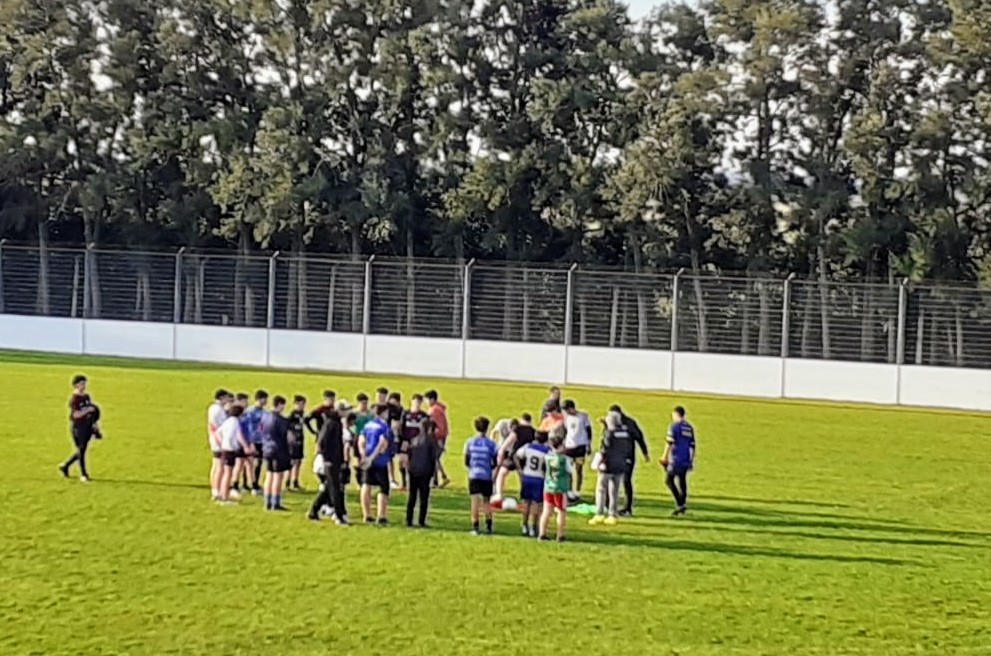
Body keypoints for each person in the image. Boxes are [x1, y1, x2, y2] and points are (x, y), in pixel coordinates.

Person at [308, 404, 349, 525]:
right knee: (335, 488)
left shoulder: (336, 422)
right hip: (330, 461)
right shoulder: (331, 423)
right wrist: (326, 458)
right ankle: (339, 516)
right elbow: (321, 442)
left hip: (336, 460)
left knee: (328, 487)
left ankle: (314, 510)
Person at [589, 411, 632, 526]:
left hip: (608, 465)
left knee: (601, 489)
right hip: (620, 464)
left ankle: (599, 513)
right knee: (614, 491)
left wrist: (600, 462)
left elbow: (605, 448)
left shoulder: (609, 433)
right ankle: (613, 514)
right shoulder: (625, 433)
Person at [59, 374, 102, 482]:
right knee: (81, 450)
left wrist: (95, 425)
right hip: (78, 427)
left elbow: (92, 413)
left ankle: (65, 466)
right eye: (81, 383)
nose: (84, 385)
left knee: (81, 450)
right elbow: (75, 415)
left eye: (84, 383)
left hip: (88, 426)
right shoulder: (74, 399)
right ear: (75, 385)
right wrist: (88, 410)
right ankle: (83, 474)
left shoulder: (87, 396)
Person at [609, 404, 649, 516]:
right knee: (612, 480)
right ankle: (610, 505)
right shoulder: (612, 423)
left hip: (627, 457)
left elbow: (639, 437)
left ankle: (627, 508)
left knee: (626, 481)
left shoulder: (630, 423)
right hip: (615, 457)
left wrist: (645, 452)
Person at [358, 404, 393, 525]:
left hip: (367, 458)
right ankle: (381, 515)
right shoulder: (384, 426)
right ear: (383, 413)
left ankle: (366, 514)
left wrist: (364, 456)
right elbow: (383, 443)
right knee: (383, 488)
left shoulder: (367, 425)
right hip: (379, 461)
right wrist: (373, 457)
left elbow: (361, 440)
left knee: (366, 484)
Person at [464, 416, 499, 535]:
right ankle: (489, 526)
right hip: (486, 475)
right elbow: (495, 461)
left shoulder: (470, 442)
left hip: (474, 474)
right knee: (486, 501)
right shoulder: (491, 444)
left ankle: (475, 527)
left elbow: (466, 460)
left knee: (474, 501)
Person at [404, 414, 439, 528]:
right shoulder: (431, 441)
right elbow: (434, 457)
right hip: (425, 471)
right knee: (424, 497)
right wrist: (433, 473)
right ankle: (421, 520)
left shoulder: (414, 440)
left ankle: (409, 519)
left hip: (413, 471)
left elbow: (409, 456)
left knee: (412, 496)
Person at [514, 428, 550, 537]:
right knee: (536, 503)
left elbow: (516, 455)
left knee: (526, 502)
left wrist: (520, 469)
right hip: (539, 478)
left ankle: (524, 525)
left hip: (527, 476)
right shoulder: (546, 450)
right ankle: (533, 527)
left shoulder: (528, 447)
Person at [662, 405, 697, 516]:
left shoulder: (674, 427)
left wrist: (664, 456)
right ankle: (682, 504)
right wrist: (691, 460)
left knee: (668, 480)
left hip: (675, 458)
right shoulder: (689, 428)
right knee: (682, 480)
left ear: (676, 414)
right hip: (686, 458)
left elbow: (669, 442)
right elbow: (693, 446)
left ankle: (680, 503)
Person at [539, 433, 574, 542]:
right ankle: (560, 534)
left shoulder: (547, 457)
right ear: (561, 445)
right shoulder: (564, 459)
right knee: (561, 511)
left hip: (548, 487)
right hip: (560, 488)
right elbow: (570, 471)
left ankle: (542, 533)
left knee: (546, 511)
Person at [262, 396, 292, 511]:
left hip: (267, 448)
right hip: (278, 449)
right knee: (278, 476)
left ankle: (267, 501)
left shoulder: (265, 417)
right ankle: (276, 502)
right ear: (279, 404)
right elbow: (285, 434)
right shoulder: (280, 420)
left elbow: (261, 429)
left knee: (269, 474)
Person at [217, 404, 249, 503]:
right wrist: (243, 446)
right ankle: (224, 497)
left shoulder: (228, 421)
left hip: (224, 449)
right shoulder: (235, 422)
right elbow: (237, 436)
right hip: (230, 450)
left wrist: (222, 442)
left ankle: (222, 494)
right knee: (228, 474)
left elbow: (218, 432)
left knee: (226, 473)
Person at [242, 390, 271, 495]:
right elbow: (248, 426)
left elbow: (263, 426)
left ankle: (255, 483)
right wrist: (250, 440)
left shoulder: (265, 412)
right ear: (259, 399)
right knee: (248, 463)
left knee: (259, 462)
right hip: (251, 440)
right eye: (265, 399)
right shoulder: (250, 412)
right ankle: (246, 484)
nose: (266, 401)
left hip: (261, 441)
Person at [562, 399, 592, 495]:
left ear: (571, 408)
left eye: (567, 410)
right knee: (568, 469)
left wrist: (588, 445)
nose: (566, 412)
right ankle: (570, 490)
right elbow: (565, 431)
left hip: (580, 447)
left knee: (579, 469)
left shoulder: (583, 416)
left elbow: (589, 431)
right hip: (569, 448)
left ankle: (578, 491)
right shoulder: (566, 418)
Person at [207, 389, 232, 500]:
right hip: (219, 441)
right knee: (220, 467)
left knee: (215, 464)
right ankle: (216, 490)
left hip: (214, 439)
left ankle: (214, 488)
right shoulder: (219, 410)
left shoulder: (212, 407)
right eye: (226, 398)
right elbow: (223, 425)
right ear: (222, 398)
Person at [425, 390, 451, 488]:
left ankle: (443, 477)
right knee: (434, 458)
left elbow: (439, 426)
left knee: (433, 458)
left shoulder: (434, 410)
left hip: (437, 438)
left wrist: (438, 438)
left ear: (432, 399)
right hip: (439, 437)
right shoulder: (438, 409)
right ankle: (436, 480)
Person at [491, 417, 519, 500]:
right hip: (501, 448)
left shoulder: (518, 429)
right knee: (497, 467)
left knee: (504, 469)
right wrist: (493, 442)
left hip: (510, 450)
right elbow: (494, 432)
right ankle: (493, 488)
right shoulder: (502, 423)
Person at [287, 395, 307, 491]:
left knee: (299, 461)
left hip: (300, 439)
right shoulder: (293, 414)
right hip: (293, 441)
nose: (302, 406)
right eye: (300, 404)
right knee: (292, 461)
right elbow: (287, 426)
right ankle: (288, 482)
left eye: (303, 404)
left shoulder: (302, 413)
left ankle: (295, 481)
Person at [387, 391, 405, 490]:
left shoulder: (402, 412)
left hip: (400, 437)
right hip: (391, 437)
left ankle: (404, 481)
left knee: (402, 459)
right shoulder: (387, 410)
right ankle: (391, 479)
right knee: (389, 458)